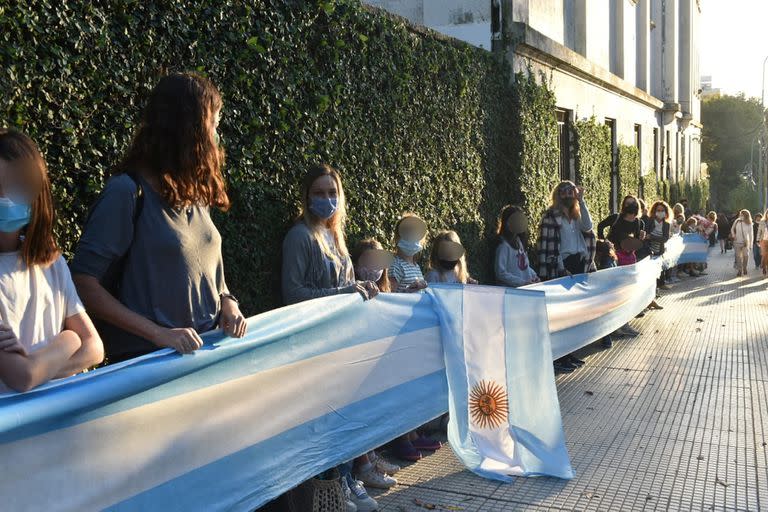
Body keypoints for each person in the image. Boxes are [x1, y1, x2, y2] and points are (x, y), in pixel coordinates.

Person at [72, 73, 247, 364]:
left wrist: (228, 302)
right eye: (214, 124)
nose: (217, 137)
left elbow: (208, 272)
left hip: (204, 359)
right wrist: (158, 334)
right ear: (189, 129)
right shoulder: (126, 193)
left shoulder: (194, 195)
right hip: (149, 369)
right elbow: (83, 283)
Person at [281, 164, 380, 512]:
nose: (327, 199)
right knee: (324, 420)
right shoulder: (300, 236)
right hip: (314, 347)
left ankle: (347, 480)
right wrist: (344, 291)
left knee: (344, 416)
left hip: (341, 344)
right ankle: (330, 490)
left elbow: (348, 285)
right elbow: (292, 294)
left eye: (332, 192)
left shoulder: (335, 236)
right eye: (319, 193)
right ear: (307, 197)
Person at [0, 129, 103, 392]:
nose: (5, 199)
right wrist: (68, 340)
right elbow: (22, 377)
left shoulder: (51, 262)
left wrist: (39, 367)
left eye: (16, 187)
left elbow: (94, 347)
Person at [538, 181, 596, 372]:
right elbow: (550, 247)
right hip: (562, 267)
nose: (570, 197)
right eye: (567, 194)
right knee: (561, 314)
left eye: (572, 194)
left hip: (580, 264)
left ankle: (569, 353)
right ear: (559, 195)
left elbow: (588, 227)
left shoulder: (577, 215)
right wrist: (561, 269)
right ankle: (558, 356)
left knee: (575, 313)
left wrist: (582, 201)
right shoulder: (551, 217)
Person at [494, 205, 540, 287]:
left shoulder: (519, 241)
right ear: (507, 223)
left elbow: (525, 266)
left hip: (524, 289)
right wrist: (521, 282)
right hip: (512, 292)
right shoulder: (503, 246)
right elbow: (501, 273)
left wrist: (534, 276)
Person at [389, 214, 429, 293]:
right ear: (397, 237)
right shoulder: (395, 265)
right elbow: (390, 295)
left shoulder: (415, 266)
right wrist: (407, 292)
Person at [605, 195, 646, 267]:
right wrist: (604, 241)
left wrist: (641, 239)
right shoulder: (615, 218)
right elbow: (600, 226)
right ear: (624, 205)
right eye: (628, 203)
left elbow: (636, 244)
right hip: (613, 257)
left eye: (633, 203)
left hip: (629, 259)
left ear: (637, 205)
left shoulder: (640, 223)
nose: (630, 206)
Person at [731, 209, 753, 277]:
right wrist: (733, 235)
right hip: (737, 241)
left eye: (742, 215)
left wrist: (751, 244)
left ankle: (745, 267)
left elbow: (751, 234)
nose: (741, 216)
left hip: (745, 242)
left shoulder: (749, 223)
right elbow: (732, 229)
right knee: (738, 257)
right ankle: (740, 270)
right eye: (740, 214)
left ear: (746, 215)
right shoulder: (737, 221)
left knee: (746, 256)